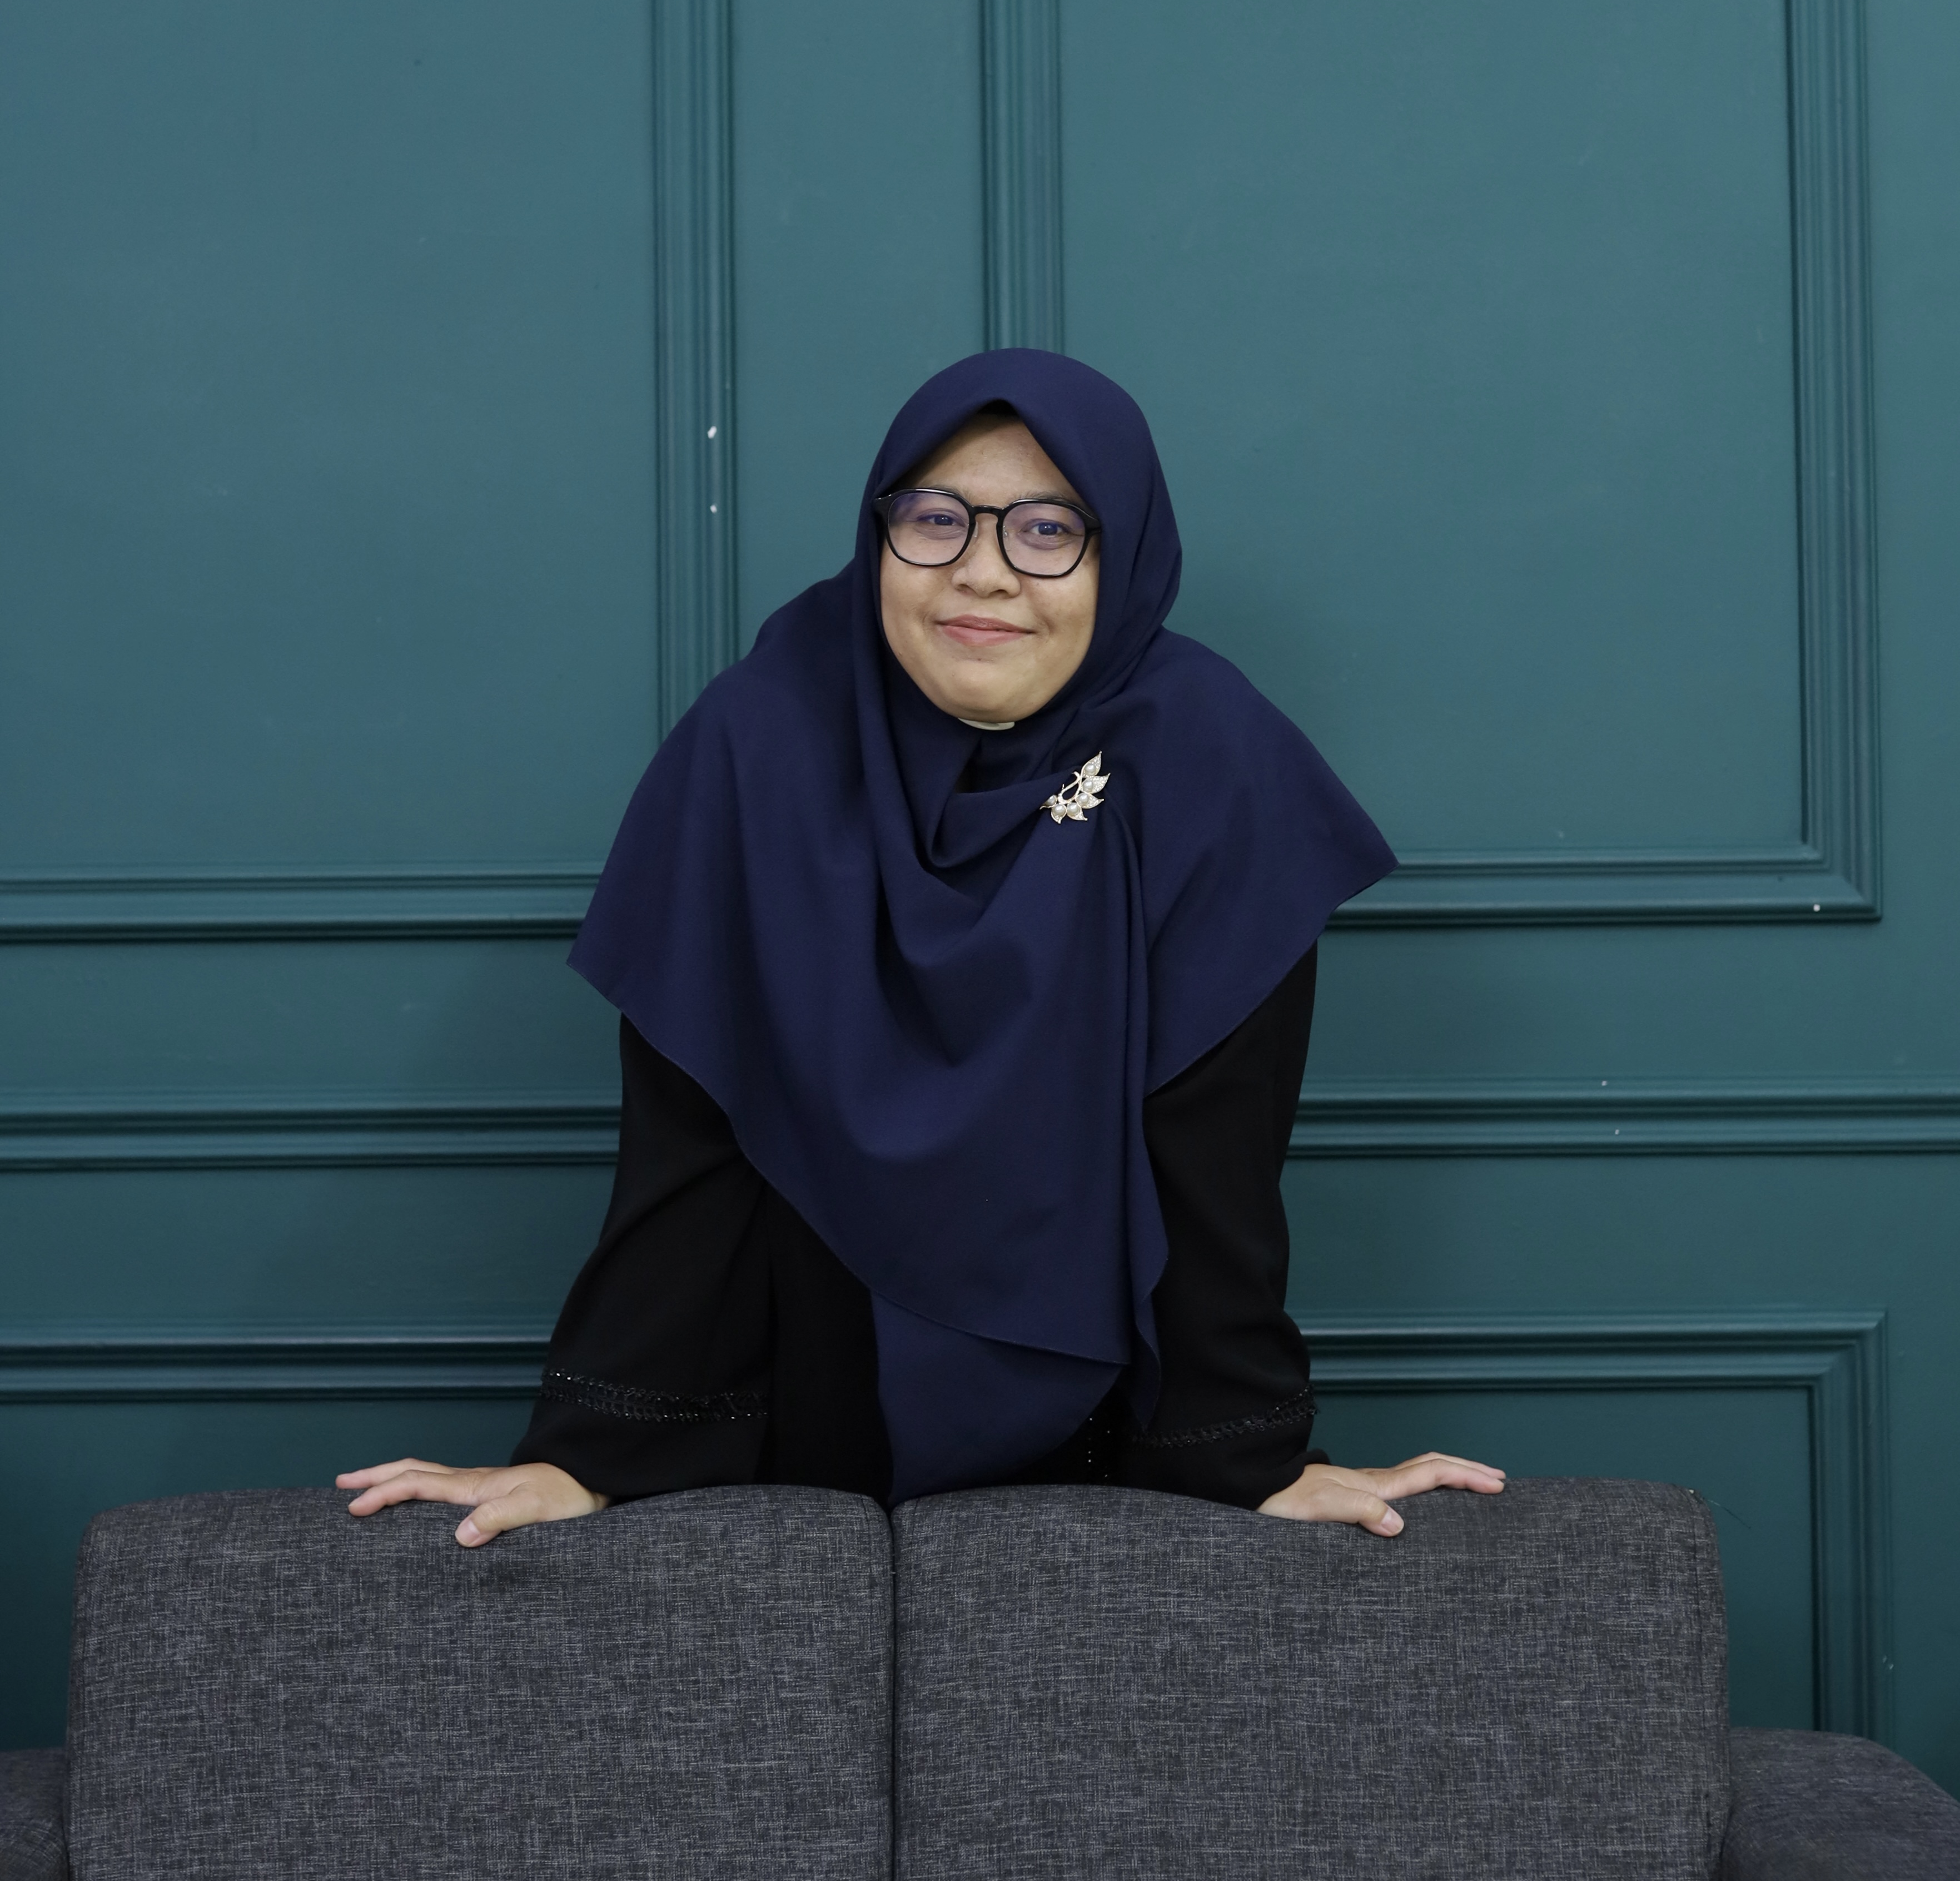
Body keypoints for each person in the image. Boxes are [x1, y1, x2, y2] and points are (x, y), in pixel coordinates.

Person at [340, 350, 1504, 1544]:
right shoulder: (758, 740)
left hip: (1103, 1431)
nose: (981, 570)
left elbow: (1213, 1166)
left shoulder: (1213, 763)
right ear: (879, 531)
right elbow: (690, 1152)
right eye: (935, 519)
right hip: (791, 1412)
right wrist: (589, 1453)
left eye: (1048, 530)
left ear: (1123, 554)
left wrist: (1248, 1456)